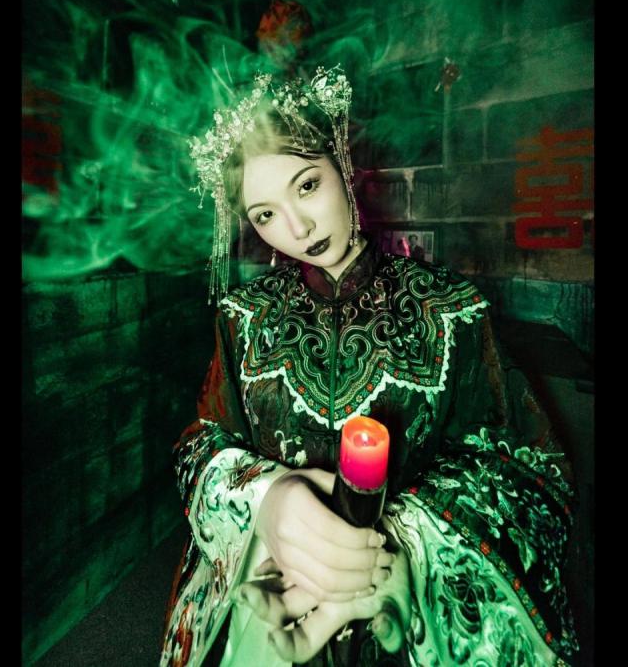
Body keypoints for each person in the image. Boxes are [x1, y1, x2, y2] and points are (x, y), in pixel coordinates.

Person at [160, 66, 579, 666]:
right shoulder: (243, 317)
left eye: (307, 186)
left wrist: (405, 541)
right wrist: (265, 500)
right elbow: (199, 443)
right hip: (274, 593)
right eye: (265, 215)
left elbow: (528, 467)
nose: (298, 229)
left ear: (343, 164)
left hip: (410, 611)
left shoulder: (448, 307)